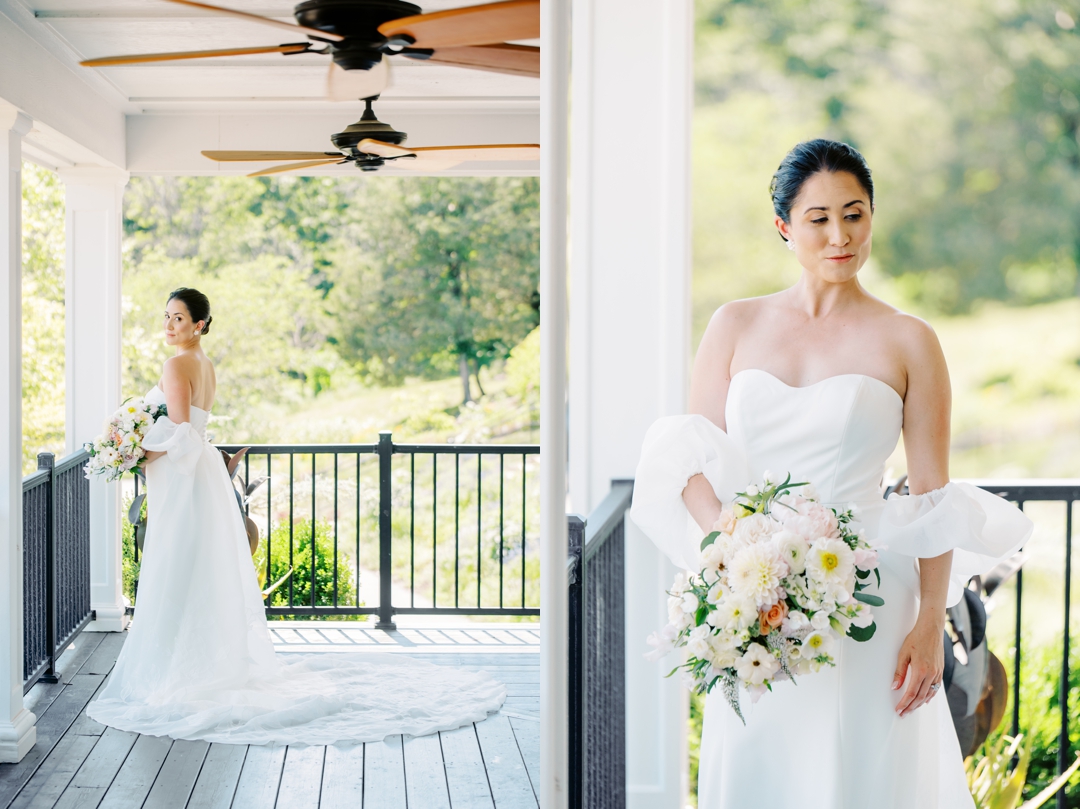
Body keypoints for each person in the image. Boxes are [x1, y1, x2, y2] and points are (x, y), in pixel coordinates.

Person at [630, 140, 1032, 808]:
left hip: (869, 599)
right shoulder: (734, 323)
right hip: (755, 598)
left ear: (872, 216)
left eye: (855, 214)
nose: (840, 235)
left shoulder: (910, 340)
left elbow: (933, 493)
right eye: (819, 218)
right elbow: (692, 455)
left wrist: (931, 620)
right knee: (761, 759)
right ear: (785, 226)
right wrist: (731, 544)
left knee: (860, 773)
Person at [87, 287, 505, 745]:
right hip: (202, 475)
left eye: (179, 318)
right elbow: (191, 432)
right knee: (196, 569)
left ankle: (179, 672)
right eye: (166, 316)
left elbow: (182, 438)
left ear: (200, 324)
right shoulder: (204, 364)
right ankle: (201, 662)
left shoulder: (175, 365)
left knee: (177, 569)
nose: (169, 325)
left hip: (186, 478)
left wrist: (134, 451)